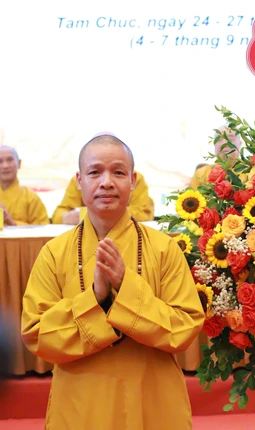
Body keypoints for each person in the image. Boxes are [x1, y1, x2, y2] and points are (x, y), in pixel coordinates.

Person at [21, 134, 205, 429]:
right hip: (81, 403)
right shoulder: (53, 253)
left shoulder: (164, 248)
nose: (106, 182)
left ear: (133, 181)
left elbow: (184, 328)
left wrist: (124, 285)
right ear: (79, 181)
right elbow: (36, 333)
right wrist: (96, 297)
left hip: (150, 397)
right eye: (95, 172)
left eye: (118, 172)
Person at [0, 146, 49, 225]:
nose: (5, 166)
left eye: (9, 160)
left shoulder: (31, 198)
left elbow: (43, 228)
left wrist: (9, 220)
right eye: (0, 161)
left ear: (19, 163)